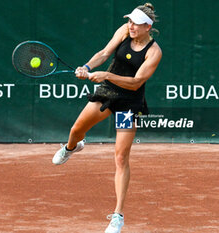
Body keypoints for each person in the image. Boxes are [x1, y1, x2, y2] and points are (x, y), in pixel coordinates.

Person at [52, 3, 162, 233]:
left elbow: (135, 83)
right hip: (107, 92)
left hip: (130, 103)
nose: (131, 26)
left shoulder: (154, 52)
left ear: (148, 26)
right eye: (130, 21)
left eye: (136, 23)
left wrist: (107, 75)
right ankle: (73, 147)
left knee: (121, 157)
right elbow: (104, 53)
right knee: (75, 130)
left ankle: (118, 216)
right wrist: (86, 66)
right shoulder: (123, 30)